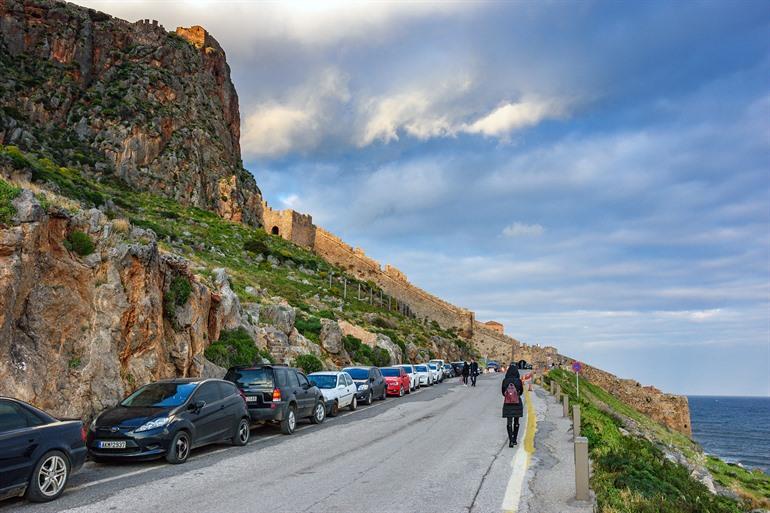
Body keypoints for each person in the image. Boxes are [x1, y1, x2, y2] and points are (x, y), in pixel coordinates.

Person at [502, 364, 524, 447]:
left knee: (509, 421)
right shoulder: (518, 381)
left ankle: (510, 441)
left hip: (508, 403)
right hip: (517, 402)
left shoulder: (505, 380)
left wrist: (509, 396)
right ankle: (514, 439)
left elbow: (503, 392)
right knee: (516, 421)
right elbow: (521, 392)